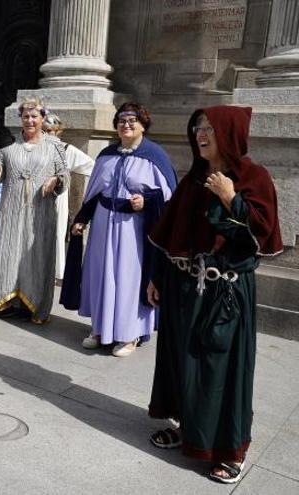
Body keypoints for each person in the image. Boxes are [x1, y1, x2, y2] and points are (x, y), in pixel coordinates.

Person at [146, 106, 281, 483]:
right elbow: (172, 234)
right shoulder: (193, 179)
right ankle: (187, 428)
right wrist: (158, 277)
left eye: (209, 128)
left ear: (229, 132)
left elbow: (261, 235)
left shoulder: (254, 177)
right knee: (184, 364)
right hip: (185, 286)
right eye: (197, 128)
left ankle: (229, 450)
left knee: (222, 370)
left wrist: (231, 198)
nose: (201, 134)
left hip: (226, 292)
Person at [61, 103, 177, 357]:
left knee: (128, 277)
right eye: (121, 120)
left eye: (132, 120)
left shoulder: (155, 156)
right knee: (101, 273)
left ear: (143, 124)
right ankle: (100, 329)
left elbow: (170, 200)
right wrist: (82, 218)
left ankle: (129, 334)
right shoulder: (107, 154)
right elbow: (95, 191)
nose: (126, 124)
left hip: (134, 229)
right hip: (104, 224)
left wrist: (147, 202)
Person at [0, 96, 68, 323]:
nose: (30, 120)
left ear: (42, 118)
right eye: (25, 116)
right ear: (20, 119)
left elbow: (65, 175)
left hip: (40, 212)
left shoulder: (54, 146)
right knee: (9, 253)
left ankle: (35, 304)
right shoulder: (10, 148)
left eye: (34, 116)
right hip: (12, 210)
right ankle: (7, 299)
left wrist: (55, 180)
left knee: (36, 255)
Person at [40, 113, 95, 279]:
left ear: (58, 132)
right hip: (34, 197)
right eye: (46, 130)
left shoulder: (66, 150)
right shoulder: (34, 148)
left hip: (57, 198)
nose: (49, 134)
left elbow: (93, 167)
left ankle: (54, 272)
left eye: (53, 131)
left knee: (56, 232)